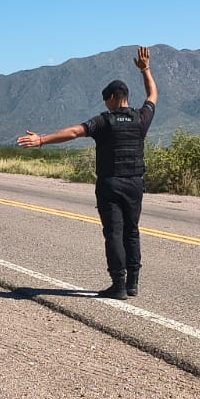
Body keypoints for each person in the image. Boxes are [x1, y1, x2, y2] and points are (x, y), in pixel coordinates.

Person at [17, 47, 158, 299]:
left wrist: (41, 140)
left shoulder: (104, 121)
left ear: (113, 97)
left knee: (114, 232)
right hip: (135, 183)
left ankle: (118, 285)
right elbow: (153, 95)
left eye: (106, 100)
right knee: (132, 231)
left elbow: (74, 132)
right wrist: (145, 69)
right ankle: (133, 284)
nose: (106, 104)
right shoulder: (141, 118)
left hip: (111, 184)